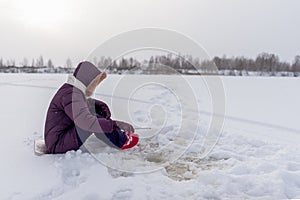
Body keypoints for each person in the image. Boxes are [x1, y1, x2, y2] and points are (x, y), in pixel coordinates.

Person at [44, 61, 139, 154]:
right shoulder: (71, 94)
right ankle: (122, 141)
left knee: (94, 113)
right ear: (87, 81)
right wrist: (117, 124)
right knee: (91, 119)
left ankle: (114, 136)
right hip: (57, 144)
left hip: (59, 137)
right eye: (94, 84)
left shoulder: (72, 91)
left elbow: (79, 107)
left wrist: (98, 106)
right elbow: (85, 121)